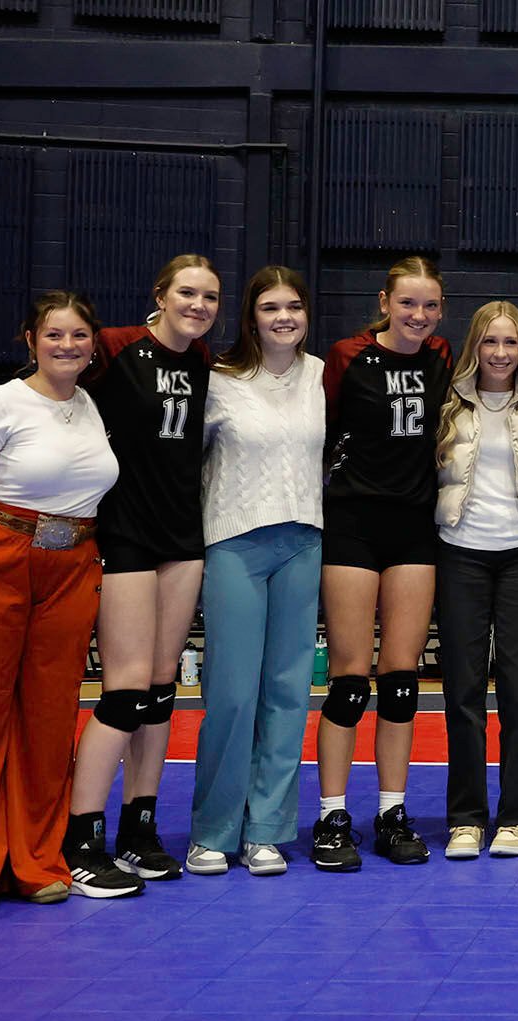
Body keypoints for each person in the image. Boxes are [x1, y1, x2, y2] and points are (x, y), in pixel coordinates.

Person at [0, 255, 221, 893]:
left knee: (162, 690)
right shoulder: (116, 347)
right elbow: (54, 369)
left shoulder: (209, 363)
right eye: (187, 292)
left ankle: (139, 824)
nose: (199, 304)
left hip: (182, 536)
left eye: (210, 296)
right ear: (159, 294)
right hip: (125, 532)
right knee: (126, 690)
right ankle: (82, 834)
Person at [0, 291, 120, 920]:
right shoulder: (0, 403)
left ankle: (35, 861)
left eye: (80, 336)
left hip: (72, 568)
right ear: (31, 340)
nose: (68, 346)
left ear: (95, 344)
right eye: (55, 335)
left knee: (47, 720)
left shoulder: (92, 405)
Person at [312, 256, 451, 870]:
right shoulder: (347, 358)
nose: (418, 316)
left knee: (400, 677)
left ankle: (392, 810)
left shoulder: (443, 357)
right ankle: (332, 815)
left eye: (429, 306)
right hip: (354, 525)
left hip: (415, 529)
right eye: (407, 304)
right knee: (348, 676)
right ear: (385, 303)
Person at [186, 266, 324, 876]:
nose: (284, 317)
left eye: (294, 306)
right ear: (251, 316)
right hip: (235, 543)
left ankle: (266, 830)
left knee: (289, 695)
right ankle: (213, 831)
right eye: (271, 307)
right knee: (233, 694)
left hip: (303, 542)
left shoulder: (323, 376)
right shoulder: (216, 380)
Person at [435, 301, 518, 860]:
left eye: (510, 343)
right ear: (475, 347)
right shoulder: (447, 402)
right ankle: (465, 817)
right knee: (462, 693)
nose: (500, 354)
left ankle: (516, 817)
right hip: (460, 555)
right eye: (490, 342)